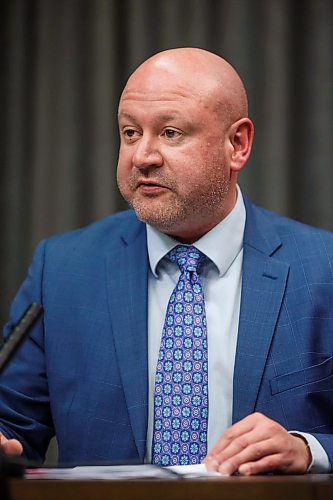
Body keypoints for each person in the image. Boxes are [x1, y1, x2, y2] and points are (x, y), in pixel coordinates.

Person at [0, 47, 333, 475]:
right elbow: (13, 422)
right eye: (130, 133)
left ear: (238, 144)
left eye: (171, 133)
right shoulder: (62, 269)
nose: (143, 156)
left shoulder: (322, 270)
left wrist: (309, 450)